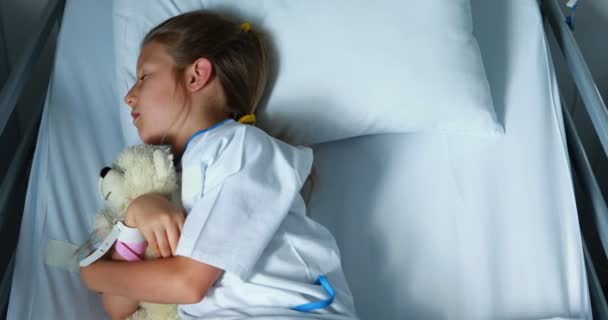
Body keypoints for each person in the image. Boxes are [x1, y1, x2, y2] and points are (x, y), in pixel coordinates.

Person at [80, 10, 357, 320]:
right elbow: (118, 307)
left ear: (196, 75)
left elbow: (187, 283)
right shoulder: (170, 181)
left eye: (144, 76)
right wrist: (133, 220)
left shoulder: (244, 149)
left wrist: (92, 274)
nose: (129, 97)